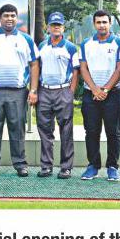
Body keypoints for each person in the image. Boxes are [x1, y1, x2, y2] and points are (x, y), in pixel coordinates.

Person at [0, 4, 39, 177]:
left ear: (17, 18)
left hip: (18, 92)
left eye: (13, 15)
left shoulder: (26, 39)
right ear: (0, 18)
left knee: (17, 129)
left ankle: (20, 164)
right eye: (6, 15)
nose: (9, 18)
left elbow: (34, 64)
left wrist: (33, 90)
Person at [79, 10, 120, 181]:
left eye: (104, 22)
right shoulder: (86, 44)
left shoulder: (119, 43)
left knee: (113, 132)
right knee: (91, 131)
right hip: (90, 94)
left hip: (113, 94)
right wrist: (95, 90)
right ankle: (93, 166)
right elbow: (83, 68)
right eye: (98, 22)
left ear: (110, 23)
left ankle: (112, 166)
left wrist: (105, 90)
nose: (101, 25)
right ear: (94, 24)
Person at [35, 12, 80, 179]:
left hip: (63, 90)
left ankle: (66, 167)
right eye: (53, 25)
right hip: (44, 91)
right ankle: (46, 166)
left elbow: (76, 71)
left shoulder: (70, 47)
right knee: (45, 130)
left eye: (59, 25)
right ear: (48, 27)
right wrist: (35, 90)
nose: (56, 28)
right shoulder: (42, 46)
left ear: (63, 27)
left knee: (66, 130)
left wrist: (70, 92)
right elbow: (36, 68)